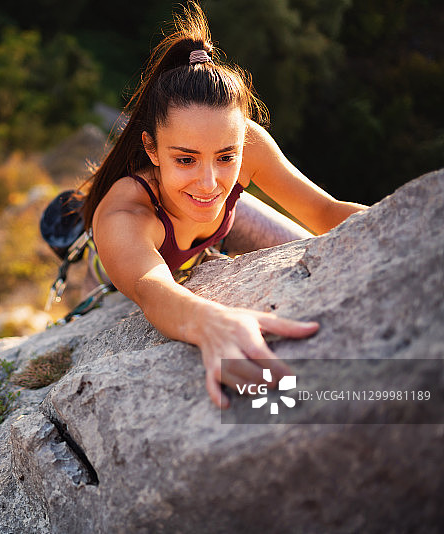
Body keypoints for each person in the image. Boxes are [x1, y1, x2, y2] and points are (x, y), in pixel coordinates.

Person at [80, 2, 367, 409]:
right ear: (152, 149)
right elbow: (153, 290)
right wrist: (212, 322)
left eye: (226, 157)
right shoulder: (126, 213)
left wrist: (412, 224)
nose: (210, 181)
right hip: (118, 267)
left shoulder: (246, 143)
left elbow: (325, 212)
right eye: (185, 159)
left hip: (222, 229)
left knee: (317, 247)